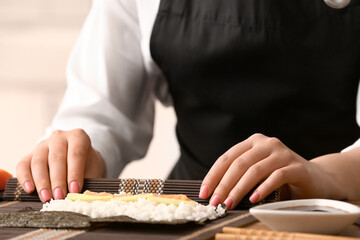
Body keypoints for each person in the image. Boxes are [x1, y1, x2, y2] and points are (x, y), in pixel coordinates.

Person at [16, 0, 360, 209]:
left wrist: (322, 175)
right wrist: (77, 153)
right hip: (190, 208)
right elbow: (101, 113)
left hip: (334, 210)